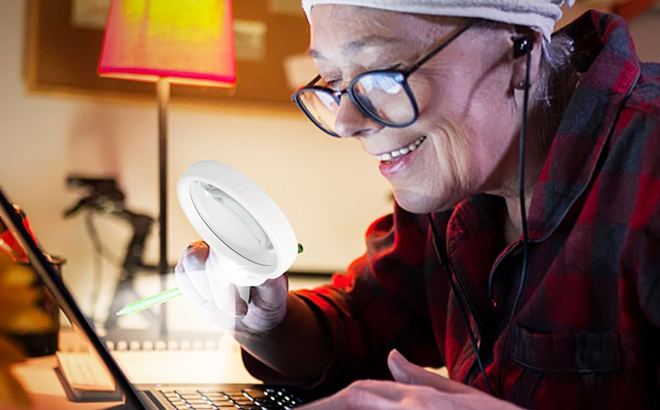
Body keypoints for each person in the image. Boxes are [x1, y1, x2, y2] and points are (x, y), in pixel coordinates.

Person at [175, 0, 660, 408]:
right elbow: (358, 325)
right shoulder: (452, 188)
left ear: (520, 54)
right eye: (332, 79)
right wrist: (267, 324)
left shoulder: (650, 173)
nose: (345, 122)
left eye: (383, 77)